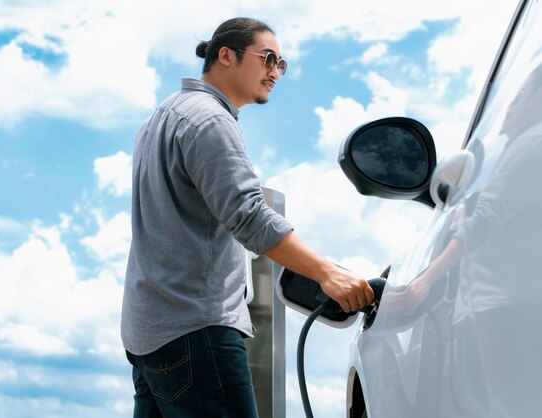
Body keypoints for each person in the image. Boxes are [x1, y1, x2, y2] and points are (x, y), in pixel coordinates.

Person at [121, 17, 374, 418]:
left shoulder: (159, 118)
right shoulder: (209, 120)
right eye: (267, 58)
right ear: (226, 55)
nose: (275, 71)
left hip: (148, 334)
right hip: (196, 329)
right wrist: (328, 273)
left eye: (282, 64)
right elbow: (249, 215)